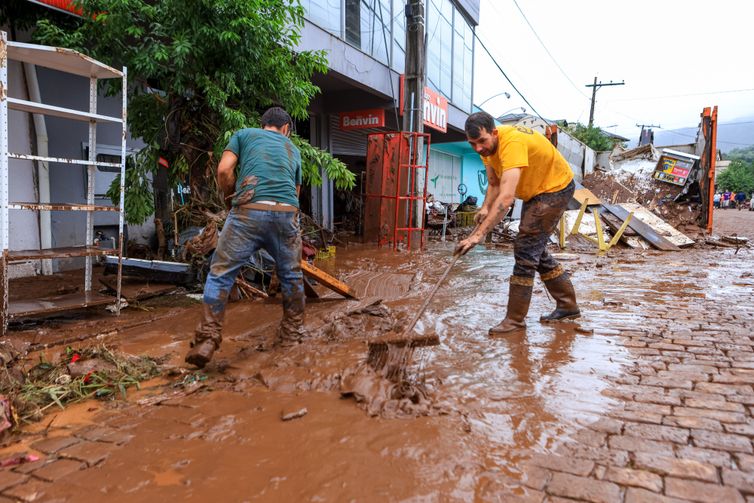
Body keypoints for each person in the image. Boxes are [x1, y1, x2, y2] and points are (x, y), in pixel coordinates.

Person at [185, 107, 306, 368]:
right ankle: (292, 337)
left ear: (263, 125)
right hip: (286, 214)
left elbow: (224, 171)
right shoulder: (292, 149)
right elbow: (295, 194)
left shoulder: (243, 135)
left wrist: (230, 199)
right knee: (292, 275)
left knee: (220, 273)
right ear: (286, 129)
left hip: (248, 211)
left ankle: (207, 339)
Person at [455, 112, 579, 334]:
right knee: (533, 249)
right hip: (536, 191)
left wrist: (477, 235)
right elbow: (493, 184)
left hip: (556, 187)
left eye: (482, 141)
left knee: (525, 249)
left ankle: (514, 320)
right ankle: (568, 305)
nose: (478, 148)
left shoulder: (511, 143)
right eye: (472, 144)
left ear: (494, 132)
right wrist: (484, 208)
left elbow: (506, 198)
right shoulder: (486, 148)